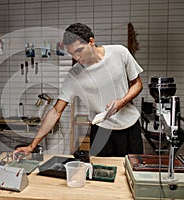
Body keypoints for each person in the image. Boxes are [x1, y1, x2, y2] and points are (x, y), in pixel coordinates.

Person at [13, 22, 143, 159]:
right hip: (101, 132)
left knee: (133, 173)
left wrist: (121, 102)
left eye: (79, 50)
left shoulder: (119, 52)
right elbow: (56, 111)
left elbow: (137, 84)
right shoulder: (74, 75)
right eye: (71, 53)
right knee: (100, 177)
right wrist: (31, 146)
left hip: (130, 127)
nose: (76, 58)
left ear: (91, 42)